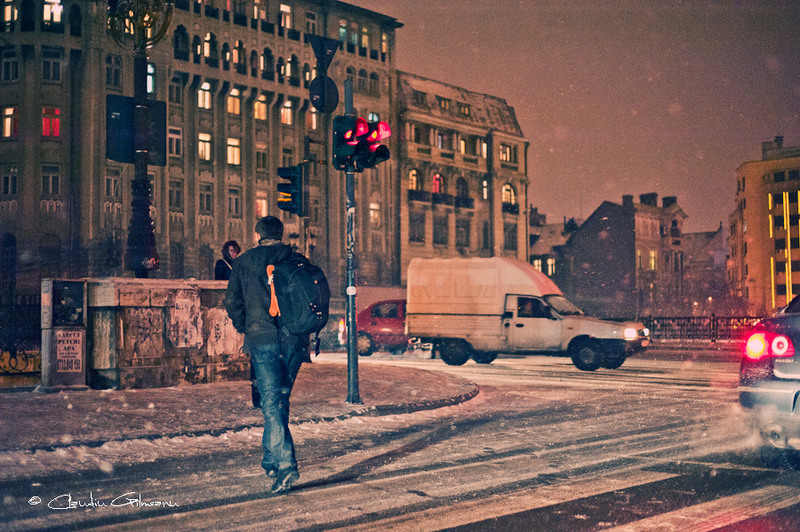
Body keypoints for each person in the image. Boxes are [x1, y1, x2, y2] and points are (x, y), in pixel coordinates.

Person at [224, 216, 306, 494]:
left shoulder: (244, 262)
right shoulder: (296, 259)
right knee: (280, 399)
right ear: (281, 235)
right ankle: (271, 458)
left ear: (257, 235)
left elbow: (232, 302)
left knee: (271, 402)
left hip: (263, 339)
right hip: (293, 339)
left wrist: (246, 326)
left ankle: (285, 465)